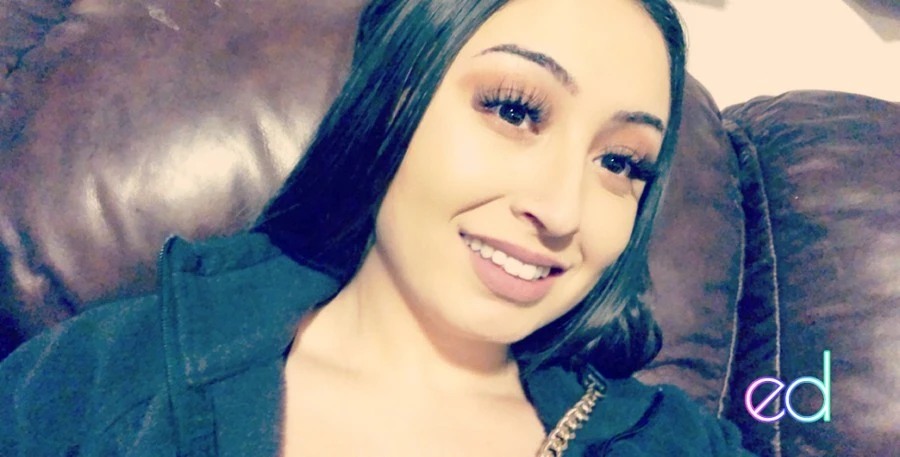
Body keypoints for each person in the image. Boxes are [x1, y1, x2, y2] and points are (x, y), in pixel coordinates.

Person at [0, 0, 755, 455]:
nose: (562, 211)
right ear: (395, 97)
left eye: (621, 162)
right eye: (514, 109)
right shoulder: (107, 377)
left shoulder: (672, 440)